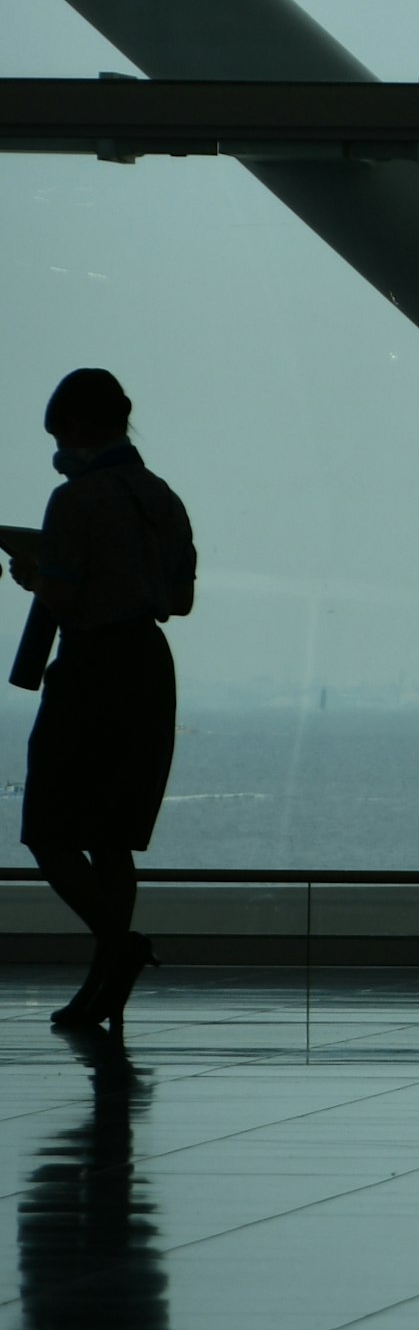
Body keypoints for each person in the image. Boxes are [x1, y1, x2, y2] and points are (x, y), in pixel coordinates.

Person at [2, 372, 194, 1040]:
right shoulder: (162, 499)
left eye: (59, 434)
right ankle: (104, 983)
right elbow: (180, 599)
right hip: (148, 667)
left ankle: (119, 945)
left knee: (49, 832)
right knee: (113, 838)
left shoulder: (75, 501)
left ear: (80, 428)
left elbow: (61, 598)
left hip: (91, 670)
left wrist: (33, 573)